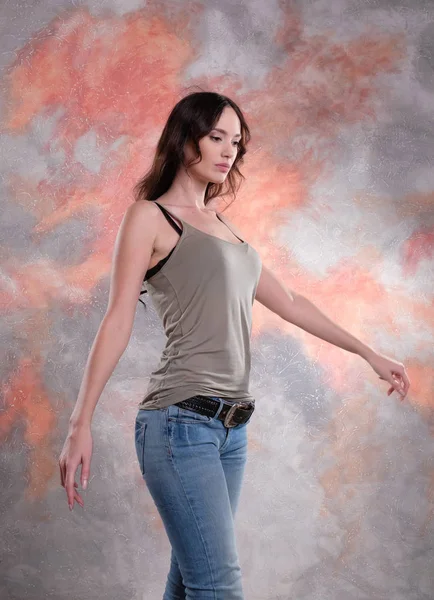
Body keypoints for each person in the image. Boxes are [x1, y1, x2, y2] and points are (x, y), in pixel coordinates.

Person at [58, 91, 410, 600]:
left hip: (232, 430)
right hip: (180, 422)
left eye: (236, 142)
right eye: (216, 137)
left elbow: (291, 301)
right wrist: (79, 422)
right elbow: (116, 320)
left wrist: (369, 353)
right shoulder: (151, 218)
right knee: (218, 586)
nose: (228, 151)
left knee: (190, 581)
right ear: (185, 141)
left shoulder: (224, 227)